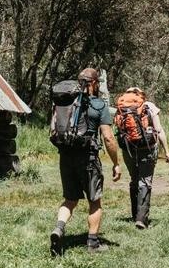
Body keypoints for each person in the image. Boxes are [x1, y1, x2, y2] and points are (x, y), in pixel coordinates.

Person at [50, 68, 121, 254]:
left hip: (66, 156)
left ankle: (59, 228)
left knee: (70, 199)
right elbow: (108, 138)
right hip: (88, 159)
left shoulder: (65, 101)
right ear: (95, 83)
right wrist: (116, 163)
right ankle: (93, 243)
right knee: (94, 201)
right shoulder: (98, 105)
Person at [114, 87, 169, 230]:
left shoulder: (121, 107)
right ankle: (141, 219)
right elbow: (159, 130)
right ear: (140, 95)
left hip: (128, 149)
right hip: (147, 148)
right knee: (145, 181)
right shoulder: (149, 106)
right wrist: (167, 151)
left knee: (134, 180)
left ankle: (134, 214)